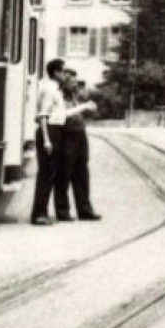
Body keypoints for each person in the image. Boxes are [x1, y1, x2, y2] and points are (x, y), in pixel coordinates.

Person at [29, 59, 69, 225]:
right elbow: (43, 116)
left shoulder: (54, 89)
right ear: (56, 73)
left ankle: (41, 213)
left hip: (56, 131)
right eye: (63, 71)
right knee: (46, 174)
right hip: (50, 132)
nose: (65, 75)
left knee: (50, 174)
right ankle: (39, 215)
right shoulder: (49, 90)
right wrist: (46, 140)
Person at [58, 70, 101, 221]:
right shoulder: (58, 97)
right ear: (64, 83)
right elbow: (64, 114)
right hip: (67, 135)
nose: (75, 85)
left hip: (80, 134)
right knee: (64, 173)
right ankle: (63, 211)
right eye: (72, 82)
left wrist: (88, 108)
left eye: (75, 82)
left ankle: (85, 210)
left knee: (82, 173)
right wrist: (84, 107)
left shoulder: (74, 97)